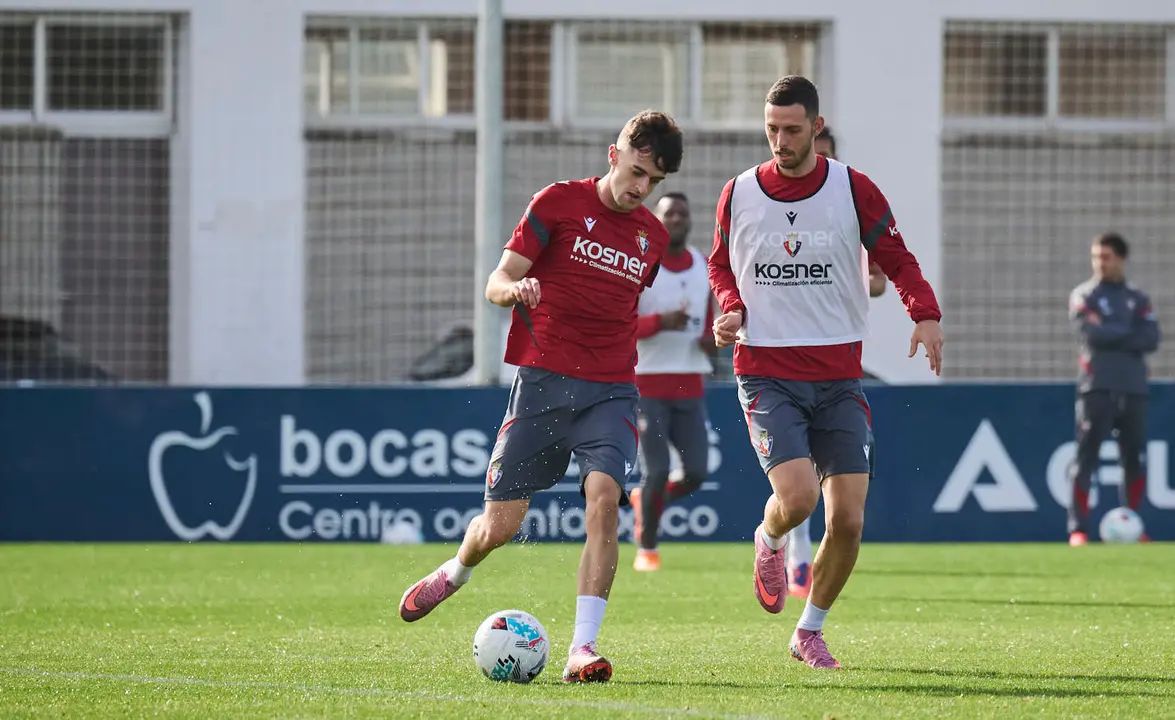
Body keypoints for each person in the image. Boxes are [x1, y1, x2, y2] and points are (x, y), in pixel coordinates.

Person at [397, 110, 684, 684]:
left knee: (605, 499)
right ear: (614, 154)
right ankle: (455, 571)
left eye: (653, 181)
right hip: (543, 385)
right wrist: (516, 289)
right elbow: (496, 281)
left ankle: (584, 647)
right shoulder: (556, 203)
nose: (640, 189)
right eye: (635, 172)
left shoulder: (651, 237)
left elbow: (623, 309)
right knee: (498, 527)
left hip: (612, 390)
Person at [708, 76, 943, 670]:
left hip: (839, 376)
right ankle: (770, 537)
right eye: (771, 130)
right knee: (797, 498)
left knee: (849, 519)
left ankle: (808, 630)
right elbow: (719, 265)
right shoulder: (737, 192)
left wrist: (926, 314)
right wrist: (729, 307)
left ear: (816, 126)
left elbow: (897, 257)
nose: (780, 141)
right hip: (766, 372)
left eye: (791, 129)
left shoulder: (852, 188)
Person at [784, 127, 887, 600]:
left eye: (822, 158)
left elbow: (881, 280)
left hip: (836, 357)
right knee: (798, 480)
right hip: (782, 362)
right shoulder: (772, 208)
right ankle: (797, 558)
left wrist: (846, 278)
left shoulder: (849, 202)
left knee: (840, 499)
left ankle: (808, 587)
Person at [628, 191, 718, 572]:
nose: (675, 219)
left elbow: (715, 322)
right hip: (647, 383)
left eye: (682, 213)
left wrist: (713, 339)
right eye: (668, 213)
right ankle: (647, 547)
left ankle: (645, 500)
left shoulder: (702, 265)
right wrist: (660, 322)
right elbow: (622, 325)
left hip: (690, 383)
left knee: (697, 471)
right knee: (658, 469)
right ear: (656, 220)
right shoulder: (641, 267)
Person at [1066, 232, 1160, 546]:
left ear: (1120, 258)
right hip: (1097, 387)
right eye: (1096, 257)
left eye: (1105, 257)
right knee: (1086, 458)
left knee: (1133, 458)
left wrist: (1112, 330)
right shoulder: (1084, 294)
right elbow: (1092, 335)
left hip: (1133, 388)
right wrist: (1126, 332)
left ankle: (1133, 524)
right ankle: (1078, 529)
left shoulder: (1138, 298)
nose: (1099, 264)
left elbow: (1151, 339)